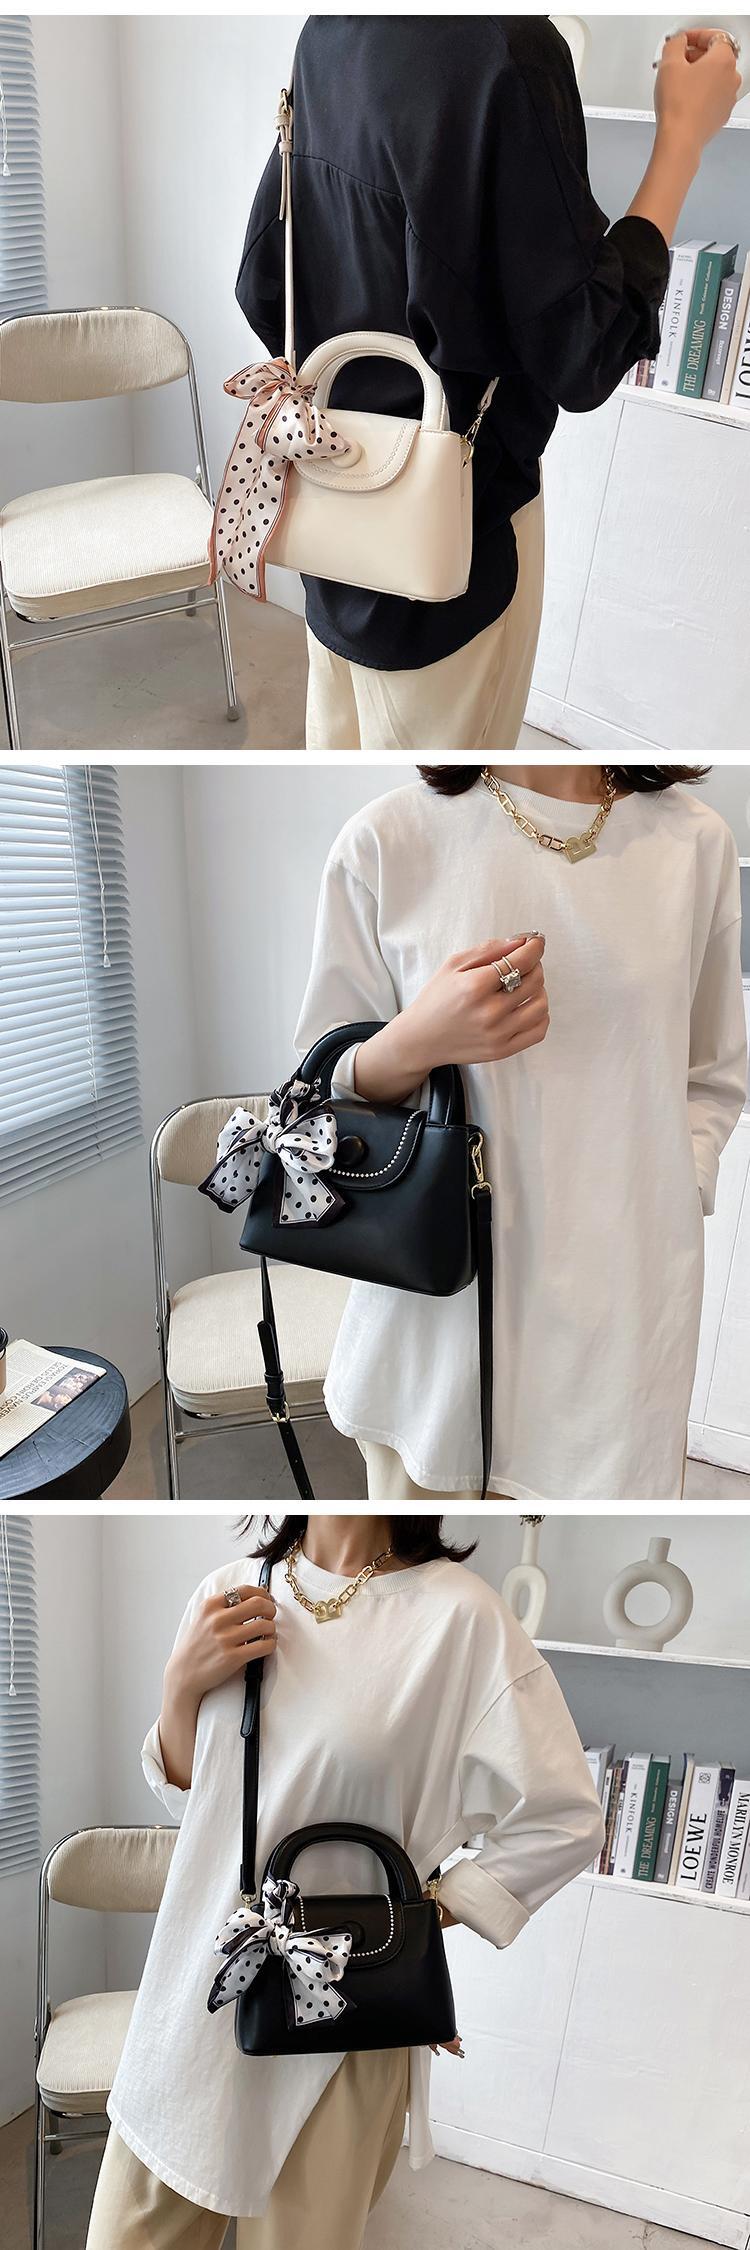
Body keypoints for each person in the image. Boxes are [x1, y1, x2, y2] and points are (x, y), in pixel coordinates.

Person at [85, 1514, 604, 2248]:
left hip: (341, 2022)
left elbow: (566, 1817)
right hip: (196, 1991)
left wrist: (425, 1914)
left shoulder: (461, 1620)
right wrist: (180, 1686)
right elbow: (198, 1803)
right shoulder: (231, 1591)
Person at [236, 18, 741, 750]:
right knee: (448, 801)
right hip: (455, 538)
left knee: (349, 772)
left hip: (326, 505)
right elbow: (585, 349)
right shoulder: (508, 49)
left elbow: (263, 283)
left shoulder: (329, 31)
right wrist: (682, 141)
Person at [293, 764, 747, 1500]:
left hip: (623, 1320)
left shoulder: (695, 843)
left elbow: (713, 1073)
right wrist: (417, 1040)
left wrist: (673, 1188)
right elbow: (322, 1098)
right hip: (437, 1317)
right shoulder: (387, 839)